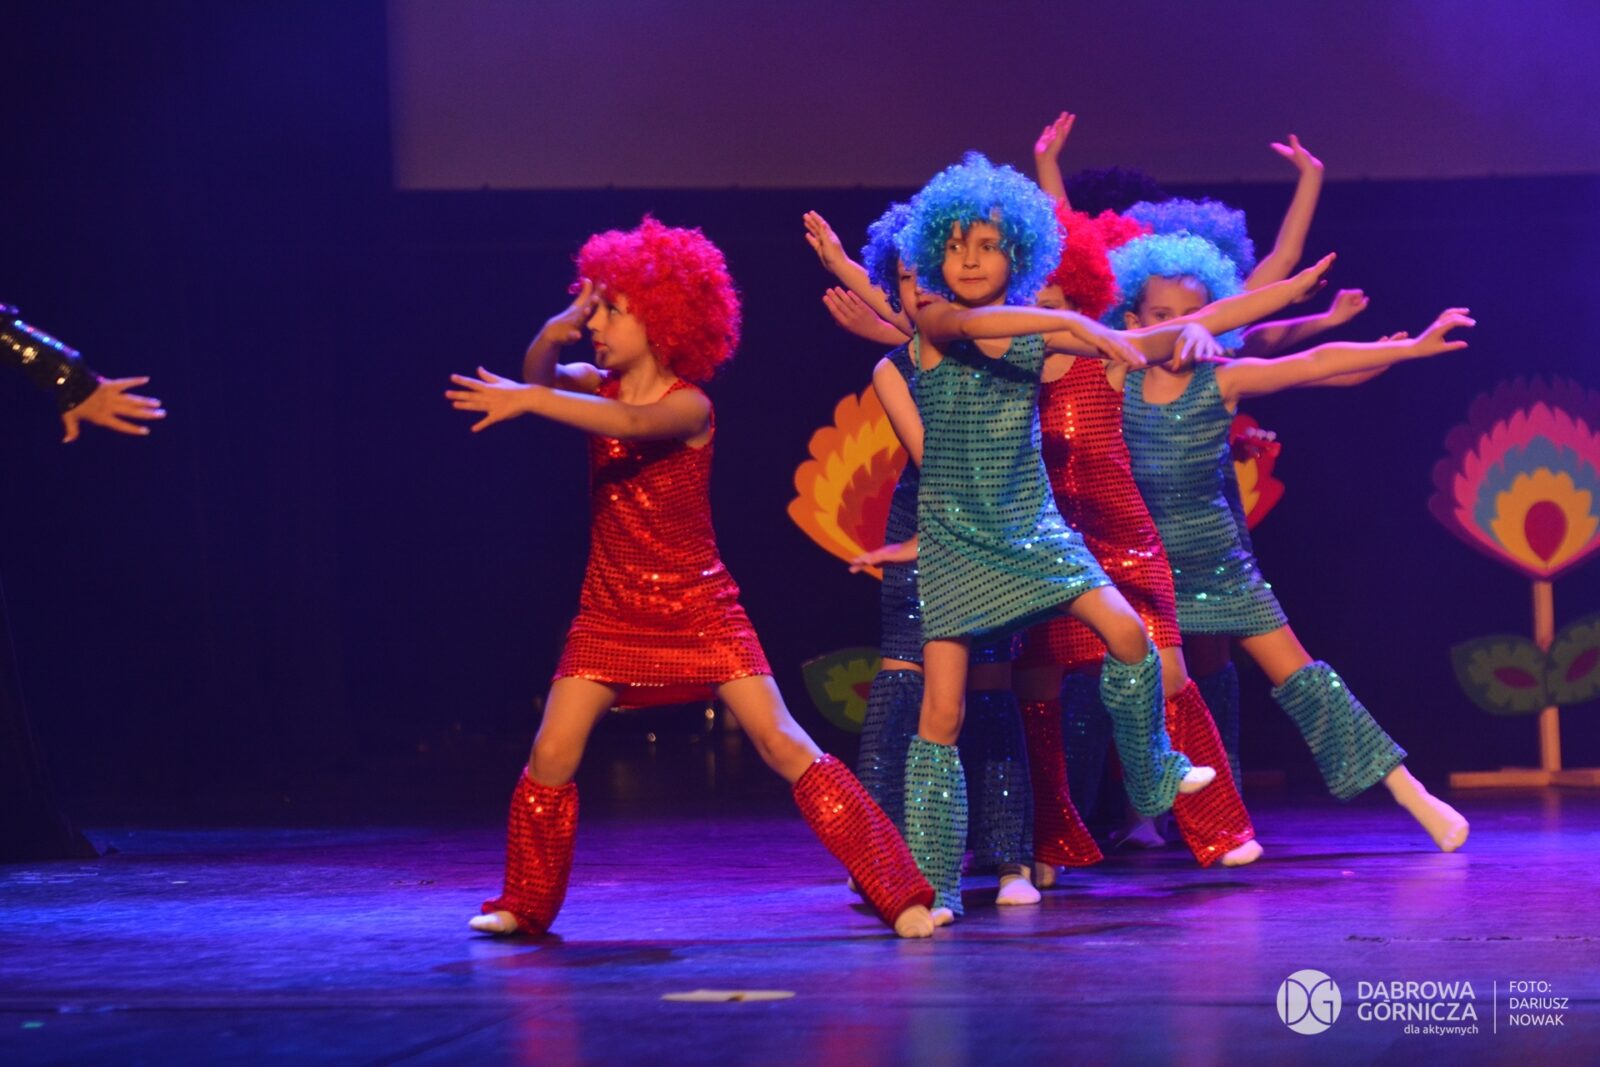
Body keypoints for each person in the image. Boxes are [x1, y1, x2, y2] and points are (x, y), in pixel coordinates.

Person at [445, 218, 938, 938]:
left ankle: (902, 891)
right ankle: (525, 902)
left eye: (613, 310)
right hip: (611, 607)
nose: (596, 325)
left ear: (663, 319)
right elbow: (544, 380)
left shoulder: (690, 404)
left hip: (699, 604)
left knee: (782, 741)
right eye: (595, 309)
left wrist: (531, 399)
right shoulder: (594, 382)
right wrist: (552, 334)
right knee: (550, 751)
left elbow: (621, 420)